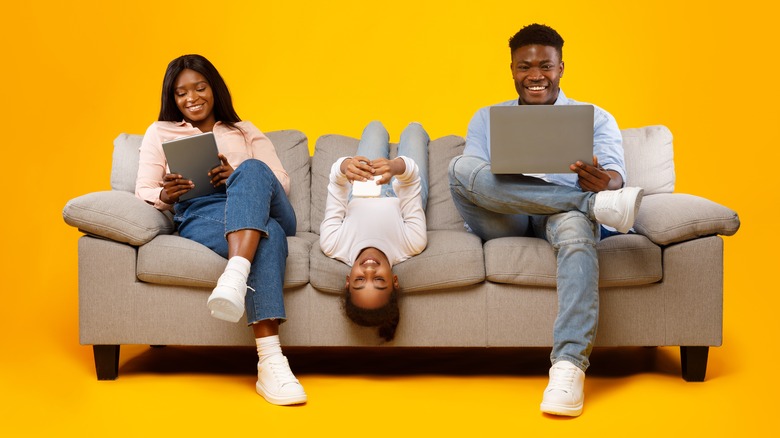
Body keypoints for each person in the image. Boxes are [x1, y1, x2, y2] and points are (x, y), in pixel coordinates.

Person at [448, 24, 643, 417]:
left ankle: (569, 367)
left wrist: (607, 182)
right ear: (512, 70)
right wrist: (593, 198)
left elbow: (618, 176)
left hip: (561, 219)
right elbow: (476, 179)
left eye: (545, 66)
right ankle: (591, 206)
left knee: (574, 228)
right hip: (506, 216)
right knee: (458, 167)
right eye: (525, 66)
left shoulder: (596, 118)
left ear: (561, 68)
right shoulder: (487, 118)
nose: (536, 75)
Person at [135, 54, 306, 406]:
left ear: (215, 89)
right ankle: (271, 362)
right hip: (202, 212)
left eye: (200, 87)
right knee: (266, 235)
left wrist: (238, 174)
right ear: (172, 97)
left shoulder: (244, 130)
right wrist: (166, 195)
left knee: (255, 170)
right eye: (182, 93)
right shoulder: (160, 132)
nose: (192, 98)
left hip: (263, 202)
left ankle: (235, 271)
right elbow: (144, 190)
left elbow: (283, 182)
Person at [319, 121, 429, 341]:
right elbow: (412, 180)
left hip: (360, 189)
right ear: (395, 281)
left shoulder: (333, 244)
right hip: (402, 195)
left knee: (375, 128)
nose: (369, 271)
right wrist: (396, 167)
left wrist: (346, 167)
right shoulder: (412, 243)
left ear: (348, 281)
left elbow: (336, 185)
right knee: (414, 130)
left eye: (360, 281)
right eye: (379, 281)